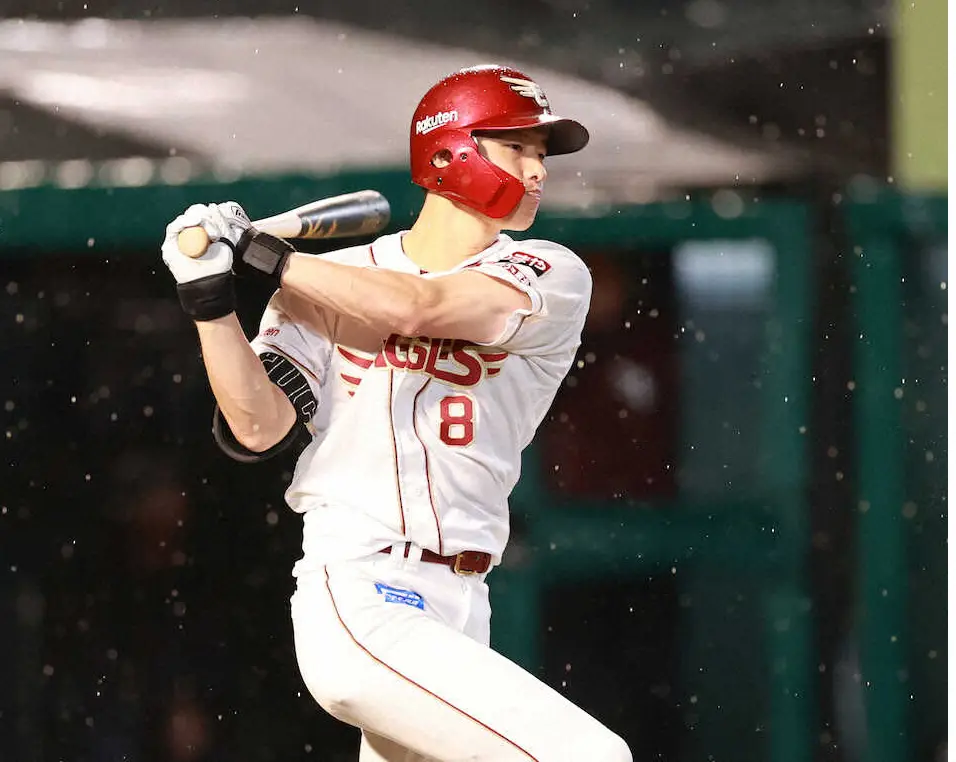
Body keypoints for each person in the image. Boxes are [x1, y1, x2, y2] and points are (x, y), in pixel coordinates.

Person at [160, 65, 632, 762]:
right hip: (363, 589)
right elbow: (257, 428)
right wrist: (210, 303)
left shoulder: (552, 271)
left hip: (464, 601)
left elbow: (419, 305)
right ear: (448, 151)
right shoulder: (322, 286)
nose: (537, 170)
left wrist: (262, 254)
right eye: (517, 147)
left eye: (541, 153)